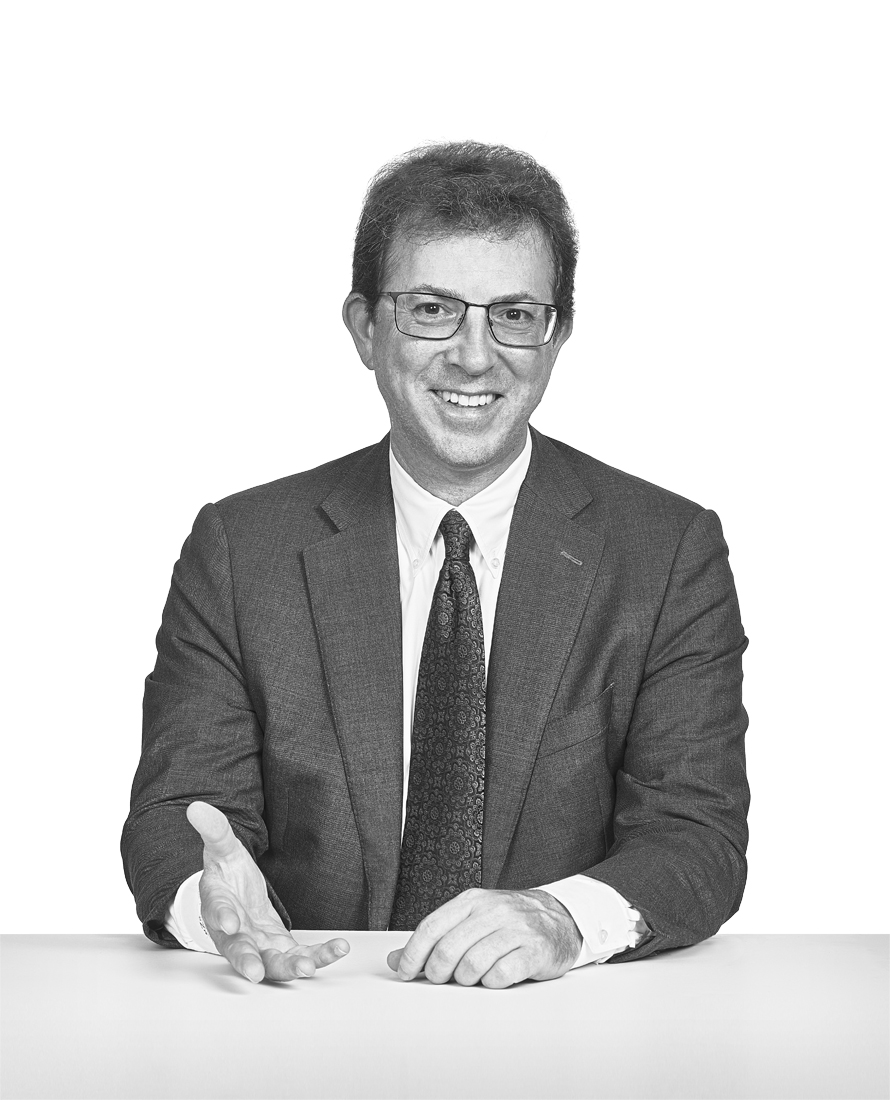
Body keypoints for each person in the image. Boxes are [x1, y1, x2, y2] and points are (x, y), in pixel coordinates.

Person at [122, 141, 749, 989]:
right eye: (432, 310)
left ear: (556, 335)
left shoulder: (666, 552)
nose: (475, 356)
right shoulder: (242, 549)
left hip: (564, 1026)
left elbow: (696, 835)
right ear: (364, 329)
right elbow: (182, 811)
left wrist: (564, 919)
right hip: (307, 1010)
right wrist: (211, 906)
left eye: (515, 315)